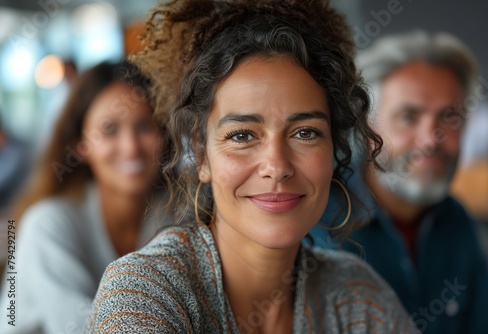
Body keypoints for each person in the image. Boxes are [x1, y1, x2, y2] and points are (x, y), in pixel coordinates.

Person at [84, 1, 419, 333]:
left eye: (305, 133)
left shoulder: (358, 297)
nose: (276, 166)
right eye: (242, 135)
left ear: (334, 149)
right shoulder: (144, 293)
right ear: (201, 155)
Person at [310, 31, 488, 333]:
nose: (431, 139)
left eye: (450, 116)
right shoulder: (317, 221)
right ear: (366, 127)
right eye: (409, 117)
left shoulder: (456, 220)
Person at [0, 61, 169, 333]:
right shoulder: (48, 224)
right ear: (81, 145)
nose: (130, 147)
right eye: (110, 130)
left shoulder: (175, 211)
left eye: (144, 126)